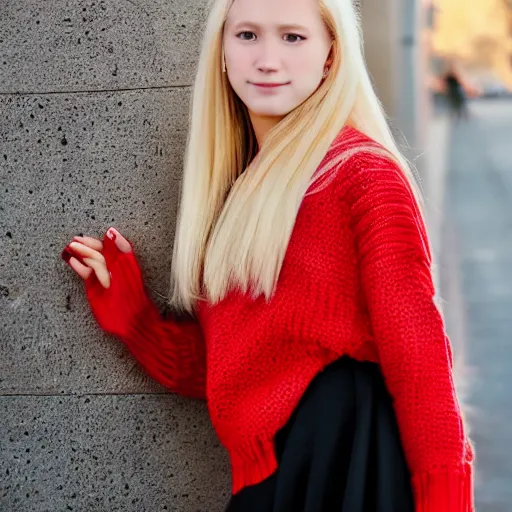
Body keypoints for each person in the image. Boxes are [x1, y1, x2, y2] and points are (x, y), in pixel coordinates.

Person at [61, 0, 475, 510]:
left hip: (346, 470)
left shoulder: (363, 177)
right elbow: (236, 371)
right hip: (275, 480)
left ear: (331, 54)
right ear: (221, 52)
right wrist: (136, 320)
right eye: (248, 36)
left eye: (293, 38)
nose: (267, 59)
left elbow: (421, 364)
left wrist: (448, 501)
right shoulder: (242, 191)